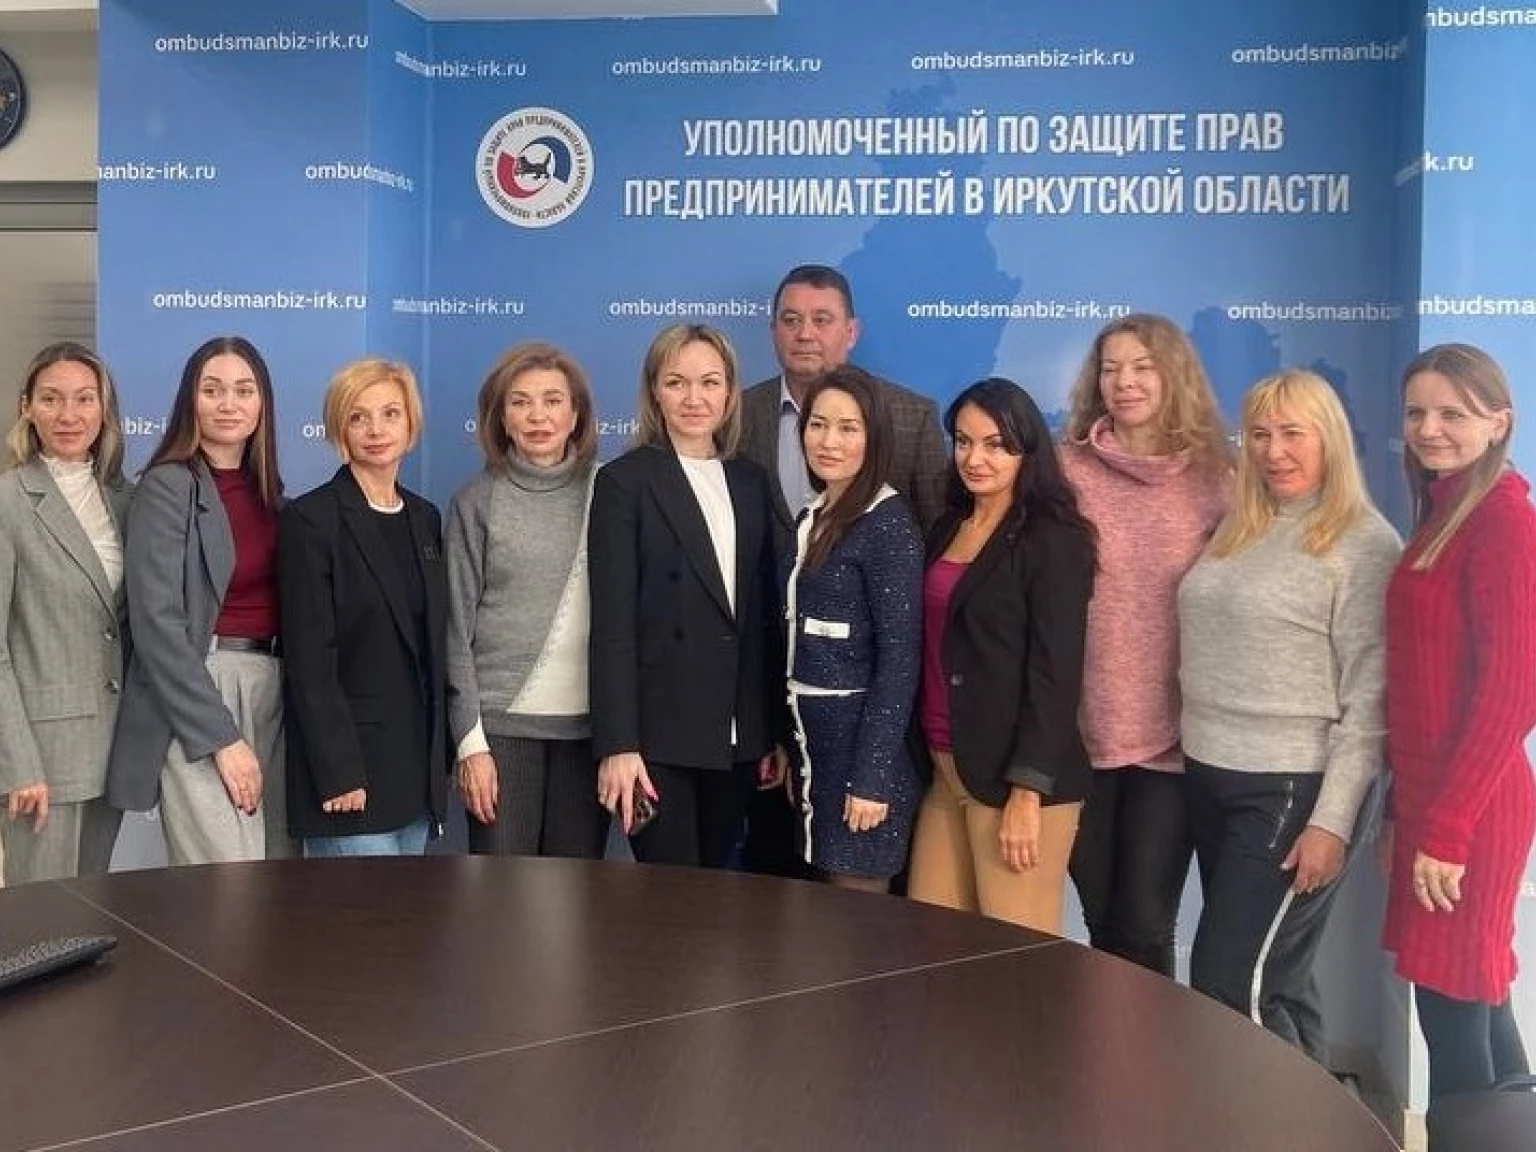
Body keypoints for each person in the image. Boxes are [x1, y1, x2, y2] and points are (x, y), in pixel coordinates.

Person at [1178, 370, 1401, 1060]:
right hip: (1210, 774)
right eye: (1260, 434)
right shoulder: (1240, 524)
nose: (1274, 451)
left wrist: (1332, 822)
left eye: (1293, 433)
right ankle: (1324, 1115)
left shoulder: (1364, 542)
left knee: (1228, 987)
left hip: (1291, 789)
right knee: (1278, 981)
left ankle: (1262, 1117)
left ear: (1329, 439)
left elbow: (1370, 700)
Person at [739, 262, 947, 878]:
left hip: (865, 740)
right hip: (792, 730)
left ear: (850, 331)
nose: (805, 333)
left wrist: (875, 768)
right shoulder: (736, 414)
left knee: (859, 905)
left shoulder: (907, 430)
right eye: (791, 319)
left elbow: (906, 631)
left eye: (822, 319)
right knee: (796, 893)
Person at [1384, 343, 1534, 1123]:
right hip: (1436, 803)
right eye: (1417, 412)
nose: (1429, 428)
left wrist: (1445, 830)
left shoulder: (1504, 520)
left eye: (1452, 412)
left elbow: (1512, 693)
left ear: (1498, 422)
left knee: (1453, 1008)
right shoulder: (1448, 508)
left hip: (1471, 811)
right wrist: (1405, 813)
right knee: (1476, 994)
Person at [1059, 313, 1231, 976]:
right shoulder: (1065, 470)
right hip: (1080, 737)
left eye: (1142, 367)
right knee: (1102, 921)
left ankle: (1151, 1045)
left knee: (1146, 923)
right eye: (1111, 369)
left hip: (1173, 742)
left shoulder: (1218, 477)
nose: (1124, 382)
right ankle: (1106, 1042)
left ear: (1174, 375)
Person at [588, 324, 781, 868]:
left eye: (709, 382)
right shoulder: (625, 481)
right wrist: (619, 744)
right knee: (668, 898)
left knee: (715, 890)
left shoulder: (750, 480)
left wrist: (769, 733)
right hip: (656, 740)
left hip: (737, 737)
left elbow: (760, 619)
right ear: (655, 391)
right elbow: (612, 625)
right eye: (677, 382)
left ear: (730, 392)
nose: (694, 398)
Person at [908, 378, 1097, 933]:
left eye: (995, 445)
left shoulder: (1054, 539)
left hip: (1015, 781)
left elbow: (1056, 673)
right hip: (946, 771)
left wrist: (1028, 792)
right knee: (931, 948)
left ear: (1026, 450)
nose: (975, 459)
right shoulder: (948, 526)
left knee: (1015, 963)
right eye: (964, 442)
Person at [106, 336, 291, 864]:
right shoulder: (167, 487)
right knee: (226, 879)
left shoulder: (273, 496)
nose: (228, 403)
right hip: (201, 691)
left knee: (278, 875)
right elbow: (157, 623)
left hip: (274, 688)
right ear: (191, 400)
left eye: (243, 390)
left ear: (263, 403)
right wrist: (220, 738)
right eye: (212, 390)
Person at [278, 358, 447, 857]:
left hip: (416, 777)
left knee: (408, 911)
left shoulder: (425, 518)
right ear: (339, 429)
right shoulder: (311, 520)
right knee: (361, 911)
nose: (376, 430)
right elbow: (310, 661)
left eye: (390, 414)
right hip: (349, 779)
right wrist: (338, 772)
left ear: (411, 424)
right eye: (358, 417)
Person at [445, 342, 607, 858]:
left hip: (590, 736)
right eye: (521, 402)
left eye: (553, 400)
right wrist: (471, 746)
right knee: (501, 895)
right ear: (500, 417)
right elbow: (454, 632)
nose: (538, 416)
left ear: (576, 415)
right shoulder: (474, 502)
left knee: (574, 895)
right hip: (500, 734)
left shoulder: (610, 492)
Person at [783, 366, 923, 892]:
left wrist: (872, 775)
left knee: (857, 922)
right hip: (813, 752)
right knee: (823, 919)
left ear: (874, 436)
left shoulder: (888, 524)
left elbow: (900, 659)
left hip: (861, 758)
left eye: (848, 428)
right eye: (818, 425)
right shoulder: (815, 515)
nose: (829, 441)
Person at [0, 343, 132, 883]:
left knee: (92, 914)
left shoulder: (124, 500)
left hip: (114, 748)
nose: (68, 415)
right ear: (27, 408)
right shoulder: (9, 501)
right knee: (42, 919)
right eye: (51, 399)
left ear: (104, 410)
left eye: (84, 399)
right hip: (43, 758)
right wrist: (17, 762)